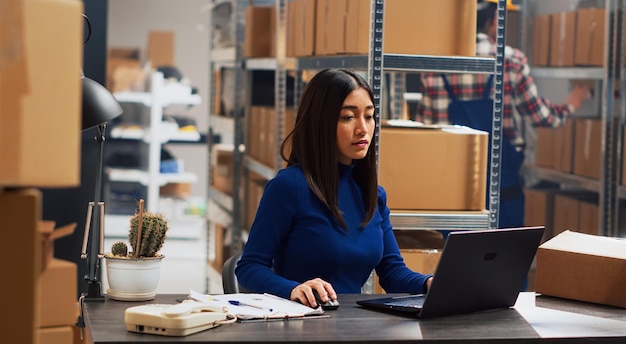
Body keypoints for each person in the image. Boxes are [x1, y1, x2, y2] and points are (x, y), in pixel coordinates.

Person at [235, 68, 433, 308]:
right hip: (301, 328)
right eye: (348, 117)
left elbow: (392, 274)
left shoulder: (373, 195)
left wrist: (431, 283)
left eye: (369, 116)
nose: (363, 128)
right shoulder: (288, 187)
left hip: (353, 327)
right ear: (321, 122)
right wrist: (293, 289)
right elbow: (249, 267)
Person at [415, 0, 591, 229]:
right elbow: (542, 116)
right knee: (504, 260)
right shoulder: (511, 61)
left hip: (451, 191)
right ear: (494, 19)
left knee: (454, 261)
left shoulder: (435, 63)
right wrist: (571, 104)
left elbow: (424, 132)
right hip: (502, 190)